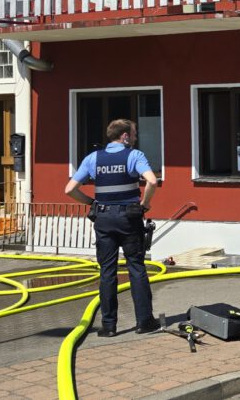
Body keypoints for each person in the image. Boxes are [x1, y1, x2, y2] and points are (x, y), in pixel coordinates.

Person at [64, 119, 160, 337]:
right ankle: (144, 322)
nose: (135, 138)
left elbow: (69, 189)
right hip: (129, 218)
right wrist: (144, 205)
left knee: (107, 271)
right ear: (125, 136)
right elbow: (152, 182)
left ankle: (108, 326)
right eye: (133, 134)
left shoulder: (93, 158)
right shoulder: (134, 155)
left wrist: (91, 204)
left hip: (104, 218)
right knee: (136, 267)